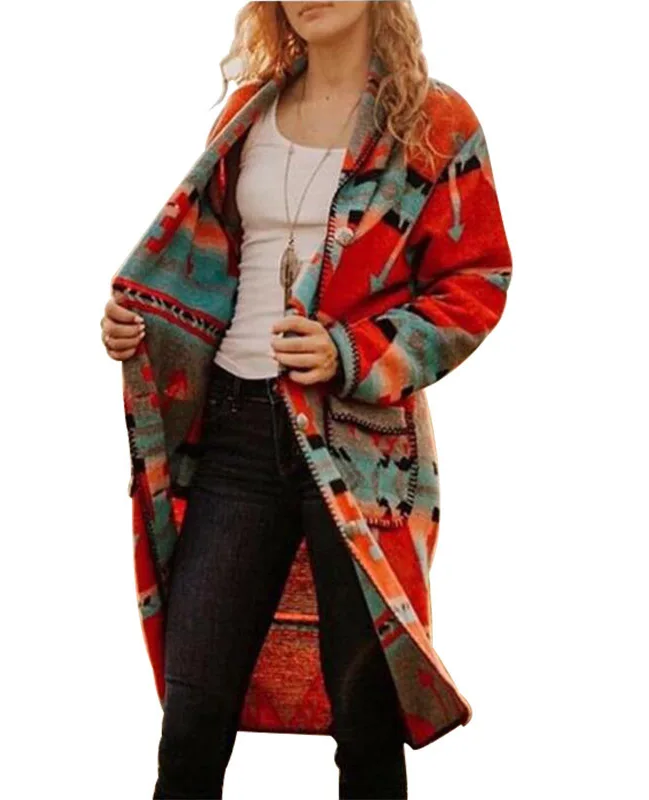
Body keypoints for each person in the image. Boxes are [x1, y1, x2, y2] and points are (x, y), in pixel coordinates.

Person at [100, 2, 512, 797]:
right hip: (233, 433)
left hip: (361, 450)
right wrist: (144, 326)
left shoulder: (433, 122)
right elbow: (206, 267)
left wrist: (351, 352)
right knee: (192, 717)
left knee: (365, 723)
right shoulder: (245, 111)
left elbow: (476, 282)